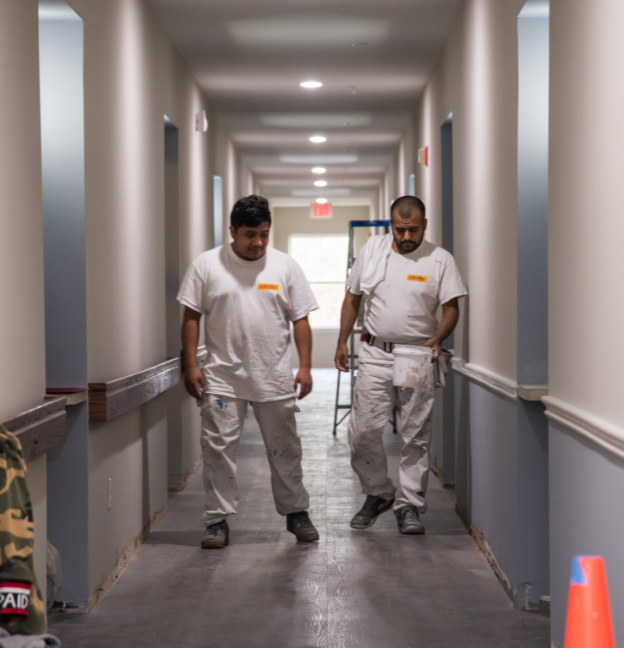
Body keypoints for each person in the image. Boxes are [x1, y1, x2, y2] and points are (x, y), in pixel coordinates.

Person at [177, 195, 320, 548]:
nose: (258, 242)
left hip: (273, 377)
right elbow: (191, 317)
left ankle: (296, 513)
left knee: (285, 449)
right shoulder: (207, 265)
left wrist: (304, 366)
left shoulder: (285, 266)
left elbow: (300, 319)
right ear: (232, 231)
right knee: (218, 450)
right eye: (250, 234)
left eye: (265, 234)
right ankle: (217, 521)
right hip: (222, 378)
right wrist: (191, 364)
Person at [334, 195, 467, 535]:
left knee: (415, 435)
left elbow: (451, 308)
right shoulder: (373, 250)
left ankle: (409, 506)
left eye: (413, 230)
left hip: (417, 355)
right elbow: (352, 298)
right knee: (362, 432)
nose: (406, 237)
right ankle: (378, 493)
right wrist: (341, 341)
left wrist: (438, 338)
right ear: (391, 225)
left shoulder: (440, 260)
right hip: (376, 352)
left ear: (425, 225)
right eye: (400, 229)